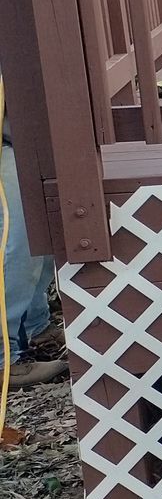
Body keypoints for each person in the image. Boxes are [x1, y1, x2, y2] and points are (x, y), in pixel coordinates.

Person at [2, 106, 66, 388]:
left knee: (43, 225)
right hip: (11, 142)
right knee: (22, 236)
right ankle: (4, 359)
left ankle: (35, 325)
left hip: (23, 139)